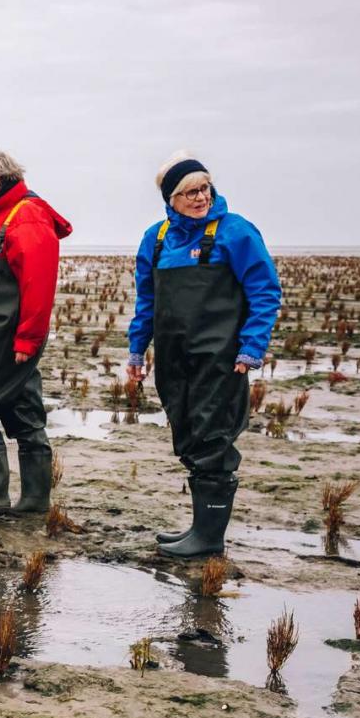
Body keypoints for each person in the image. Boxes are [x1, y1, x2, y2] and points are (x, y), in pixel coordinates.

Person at [128, 152, 281, 558]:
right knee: (189, 438)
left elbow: (265, 292)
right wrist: (136, 349)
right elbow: (147, 300)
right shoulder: (156, 239)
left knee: (214, 439)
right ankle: (200, 528)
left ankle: (209, 540)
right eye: (189, 191)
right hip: (174, 358)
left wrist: (252, 348)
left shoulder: (235, 232)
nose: (200, 197)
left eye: (204, 188)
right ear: (170, 198)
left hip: (221, 357)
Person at [0, 148, 72, 517]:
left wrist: (27, 340)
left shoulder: (28, 217)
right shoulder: (2, 216)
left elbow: (38, 286)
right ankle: (36, 500)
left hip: (8, 335)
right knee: (23, 411)